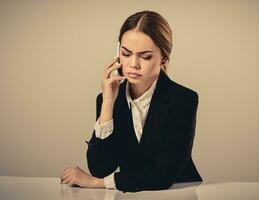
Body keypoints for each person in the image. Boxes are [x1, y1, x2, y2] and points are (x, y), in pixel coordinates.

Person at [60, 10, 202, 193]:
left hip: (180, 192)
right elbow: (100, 168)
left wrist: (96, 183)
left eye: (145, 56)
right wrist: (108, 104)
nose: (133, 64)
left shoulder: (183, 99)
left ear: (164, 58)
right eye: (126, 53)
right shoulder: (108, 99)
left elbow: (163, 175)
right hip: (131, 195)